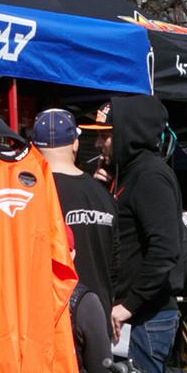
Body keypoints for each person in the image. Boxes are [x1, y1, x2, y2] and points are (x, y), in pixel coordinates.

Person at [102, 95, 183, 373]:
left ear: (128, 132)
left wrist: (128, 306)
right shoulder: (129, 173)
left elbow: (166, 248)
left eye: (107, 134)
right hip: (135, 317)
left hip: (146, 318)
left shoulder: (149, 175)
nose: (100, 143)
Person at [32, 108, 120, 299]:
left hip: (55, 317)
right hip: (99, 315)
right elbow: (116, 266)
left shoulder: (31, 195)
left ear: (35, 148)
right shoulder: (103, 195)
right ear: (75, 144)